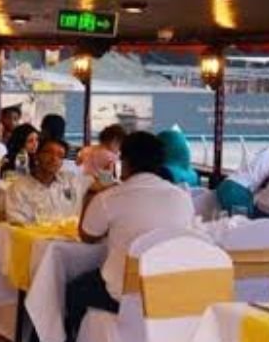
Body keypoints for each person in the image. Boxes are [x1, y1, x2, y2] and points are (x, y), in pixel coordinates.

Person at [65, 131, 195, 341]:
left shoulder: (110, 197)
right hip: (170, 287)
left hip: (122, 293)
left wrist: (92, 194)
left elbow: (87, 236)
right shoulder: (182, 197)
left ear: (125, 162)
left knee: (74, 290)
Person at [2, 138, 91, 225]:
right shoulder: (19, 189)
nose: (54, 158)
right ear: (37, 155)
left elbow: (101, 182)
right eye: (48, 153)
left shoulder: (70, 181)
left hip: (72, 238)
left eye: (60, 156)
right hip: (34, 238)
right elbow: (17, 225)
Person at [216, 147, 269, 217]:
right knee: (244, 225)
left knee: (233, 224)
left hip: (226, 185)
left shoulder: (266, 154)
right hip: (239, 190)